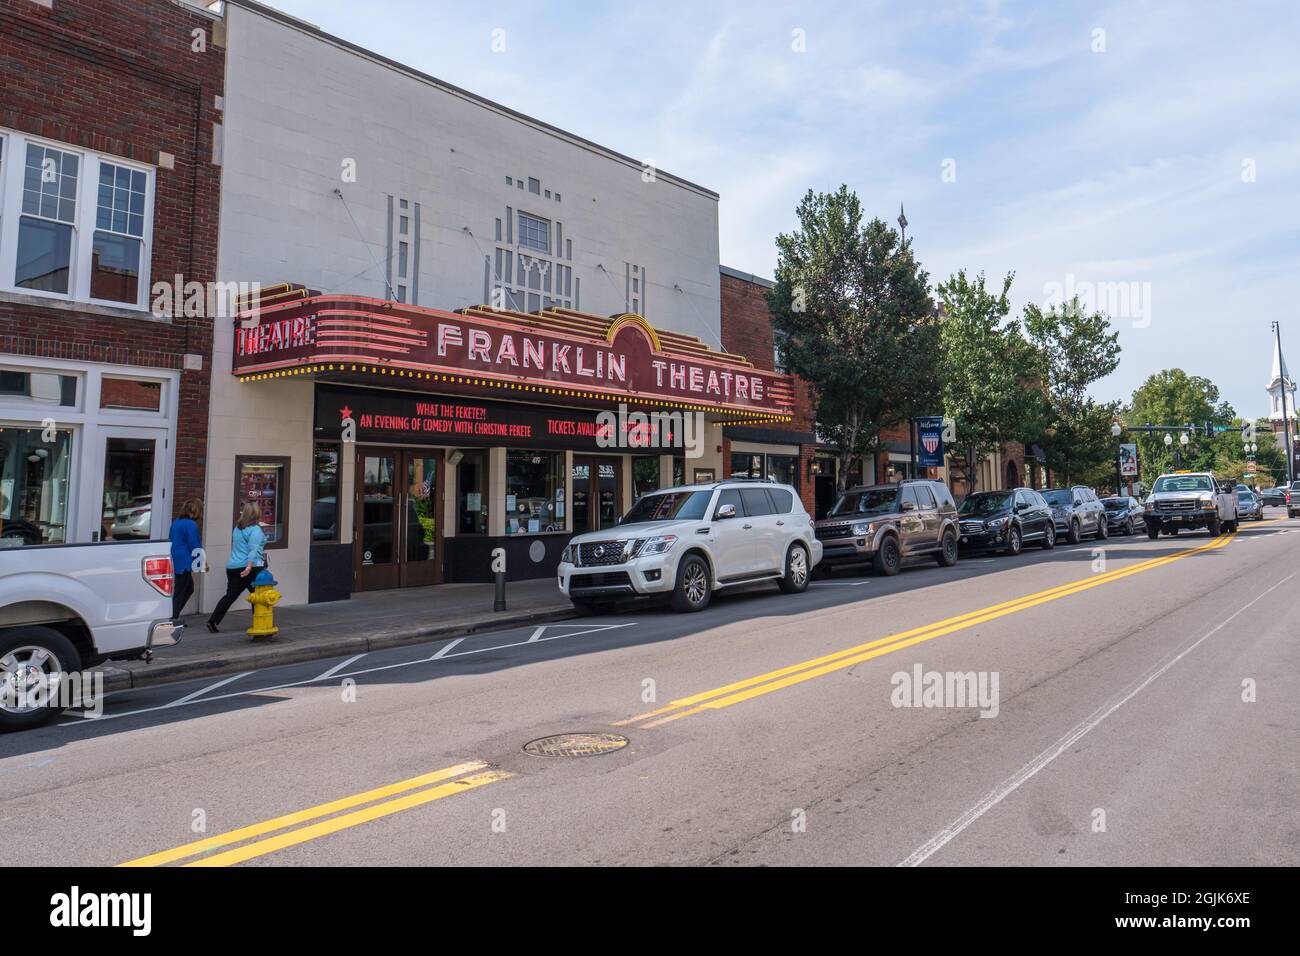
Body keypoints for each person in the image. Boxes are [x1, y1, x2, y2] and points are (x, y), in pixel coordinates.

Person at [206, 502, 267, 633]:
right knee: (258, 596)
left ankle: (213, 621)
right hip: (250, 567)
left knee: (230, 596)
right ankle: (259, 622)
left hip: (233, 567)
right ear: (256, 513)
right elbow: (253, 549)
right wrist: (249, 567)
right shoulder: (255, 529)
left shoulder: (238, 528)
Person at [169, 498, 206, 623]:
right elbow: (195, 544)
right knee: (182, 588)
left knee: (187, 587)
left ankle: (174, 614)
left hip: (175, 556)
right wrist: (202, 562)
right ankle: (173, 616)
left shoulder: (176, 522)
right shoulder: (190, 525)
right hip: (184, 559)